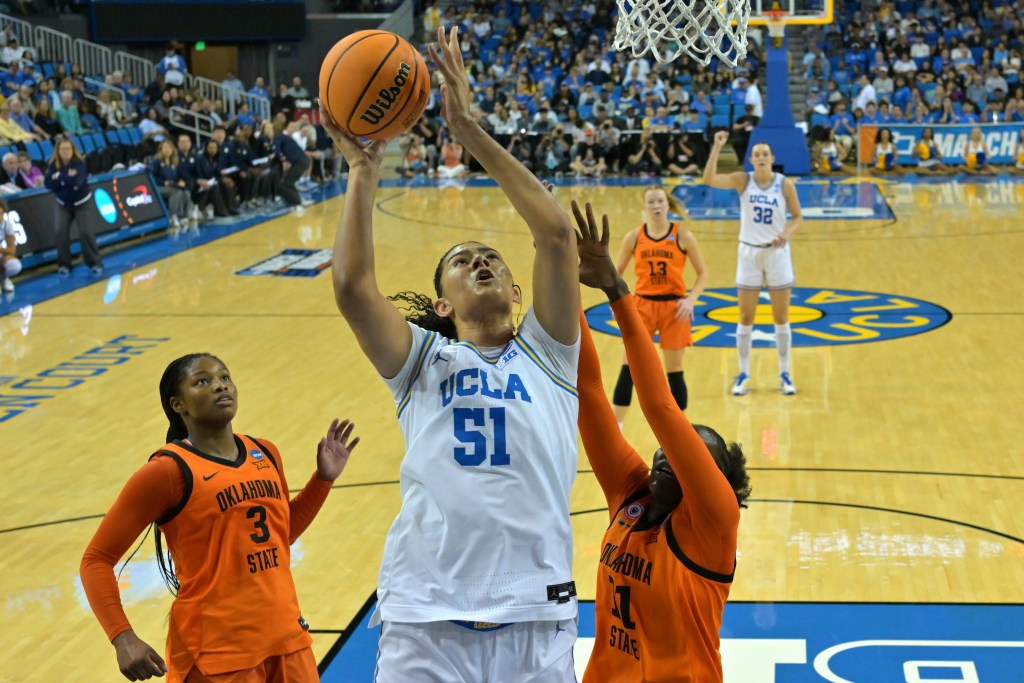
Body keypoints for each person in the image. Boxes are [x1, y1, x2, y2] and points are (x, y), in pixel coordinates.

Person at [324, 26, 580, 682]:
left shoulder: (551, 355)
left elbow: (555, 235)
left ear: (518, 290)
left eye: (490, 257)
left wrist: (468, 130)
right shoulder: (421, 363)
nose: (481, 261)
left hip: (535, 613)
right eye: (462, 263)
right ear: (442, 304)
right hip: (425, 615)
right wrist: (362, 170)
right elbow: (352, 288)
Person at [80, 353, 359, 682]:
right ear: (178, 404)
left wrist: (322, 480)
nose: (220, 386)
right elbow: (96, 560)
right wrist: (122, 637)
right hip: (215, 654)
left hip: (287, 640)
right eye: (203, 381)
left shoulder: (265, 452)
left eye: (225, 377)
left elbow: (280, 535)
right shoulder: (166, 472)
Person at [572, 200, 749, 683]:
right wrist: (561, 274)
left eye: (691, 453)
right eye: (669, 450)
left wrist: (615, 289)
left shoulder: (715, 525)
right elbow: (588, 390)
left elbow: (660, 408)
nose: (669, 454)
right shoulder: (631, 496)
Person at [704, 130, 803, 396]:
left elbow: (798, 217)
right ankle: (744, 373)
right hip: (749, 252)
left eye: (765, 154)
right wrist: (717, 147)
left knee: (781, 317)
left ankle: (785, 373)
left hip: (777, 254)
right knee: (746, 316)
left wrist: (786, 234)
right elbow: (709, 179)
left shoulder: (784, 184)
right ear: (751, 159)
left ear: (772, 158)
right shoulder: (742, 180)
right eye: (756, 154)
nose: (761, 158)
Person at [611, 186, 708, 423]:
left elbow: (703, 274)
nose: (656, 206)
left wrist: (691, 299)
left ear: (667, 205)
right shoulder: (634, 237)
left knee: (674, 373)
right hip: (642, 307)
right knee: (629, 369)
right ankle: (616, 428)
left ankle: (681, 430)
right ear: (645, 207)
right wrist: (619, 305)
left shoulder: (683, 236)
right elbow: (615, 274)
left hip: (674, 309)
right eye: (651, 202)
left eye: (660, 201)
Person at [44, 136, 103, 276]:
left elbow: (77, 180)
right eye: (62, 149)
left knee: (85, 232)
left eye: (68, 149)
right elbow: (48, 183)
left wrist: (59, 177)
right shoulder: (53, 165)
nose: (65, 151)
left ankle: (95, 263)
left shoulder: (79, 163)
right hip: (63, 204)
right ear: (58, 151)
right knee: (60, 232)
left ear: (73, 150)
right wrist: (66, 177)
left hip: (82, 203)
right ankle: (64, 264)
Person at [148, 139, 196, 230]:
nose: (168, 150)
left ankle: (184, 216)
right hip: (158, 187)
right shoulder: (156, 162)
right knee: (176, 192)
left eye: (170, 147)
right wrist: (164, 182)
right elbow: (151, 177)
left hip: (173, 186)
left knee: (186, 192)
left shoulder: (175, 162)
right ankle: (173, 216)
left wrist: (186, 182)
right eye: (165, 147)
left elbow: (182, 175)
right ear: (161, 149)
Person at [0, 198, 21, 294]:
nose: (0, 217)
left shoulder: (6, 225)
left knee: (14, 265)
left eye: (1, 214)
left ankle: (4, 278)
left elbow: (12, 250)